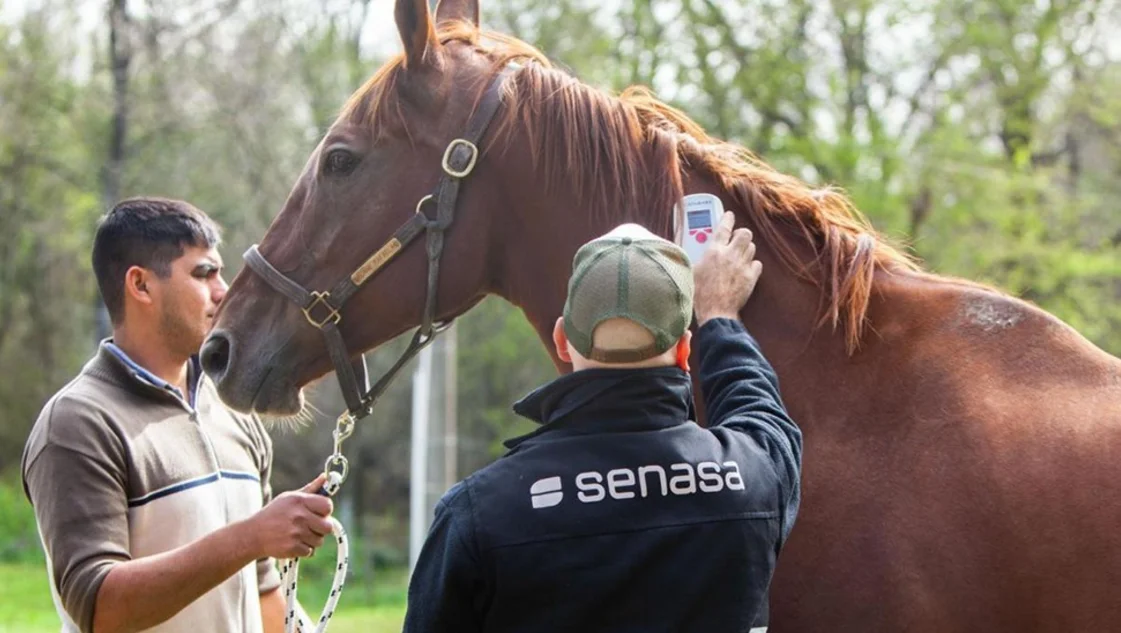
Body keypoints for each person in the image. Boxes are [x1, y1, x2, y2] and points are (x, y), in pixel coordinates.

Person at [403, 212, 803, 632]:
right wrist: (721, 317)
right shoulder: (756, 476)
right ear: (686, 351)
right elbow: (757, 406)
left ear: (562, 340)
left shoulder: (477, 513)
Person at [21, 197, 334, 633]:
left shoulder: (231, 410)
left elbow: (261, 592)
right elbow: (99, 609)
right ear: (141, 285)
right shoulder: (77, 424)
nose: (223, 291)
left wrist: (260, 545)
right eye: (203, 274)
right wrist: (251, 536)